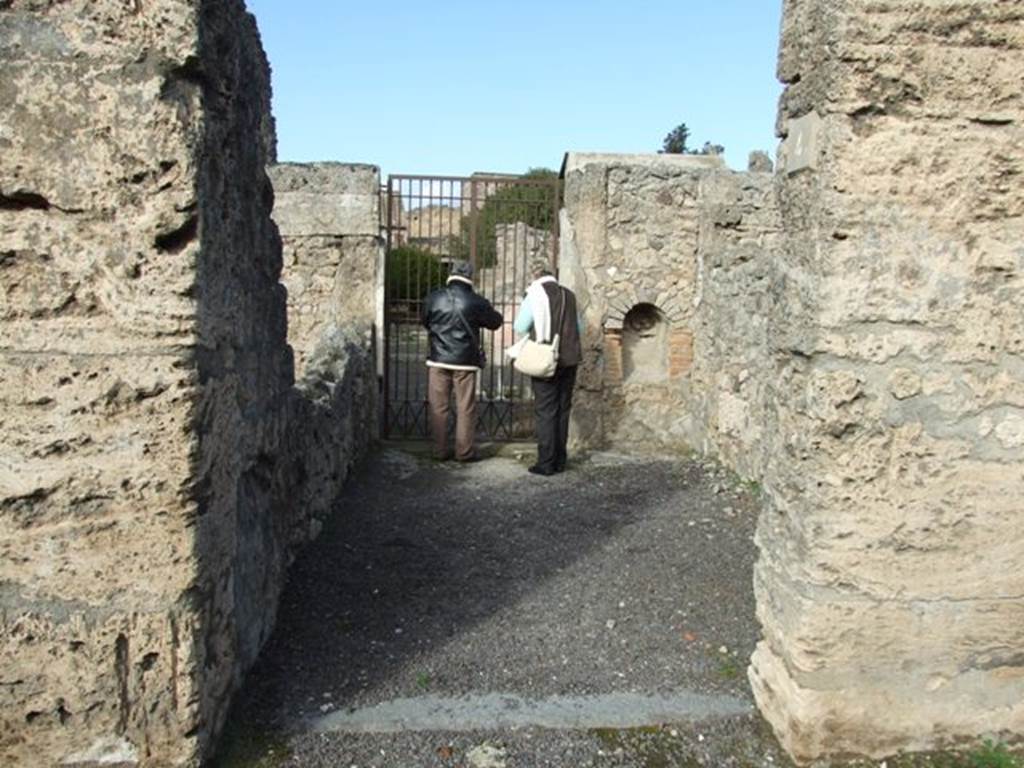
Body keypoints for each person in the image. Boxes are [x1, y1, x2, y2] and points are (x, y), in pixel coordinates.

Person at [422, 260, 502, 462]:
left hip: (438, 360)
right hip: (465, 361)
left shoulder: (434, 297)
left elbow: (425, 321)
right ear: (470, 276)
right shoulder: (477, 301)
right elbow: (495, 322)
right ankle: (464, 452)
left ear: (451, 274)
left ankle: (439, 451)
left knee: (438, 407)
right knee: (465, 407)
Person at [513, 258, 582, 476]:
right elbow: (578, 327)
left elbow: (520, 326)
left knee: (545, 411)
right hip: (569, 358)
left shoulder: (534, 294)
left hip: (544, 357)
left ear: (535, 275)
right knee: (562, 409)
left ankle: (546, 462)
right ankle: (560, 460)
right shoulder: (569, 295)